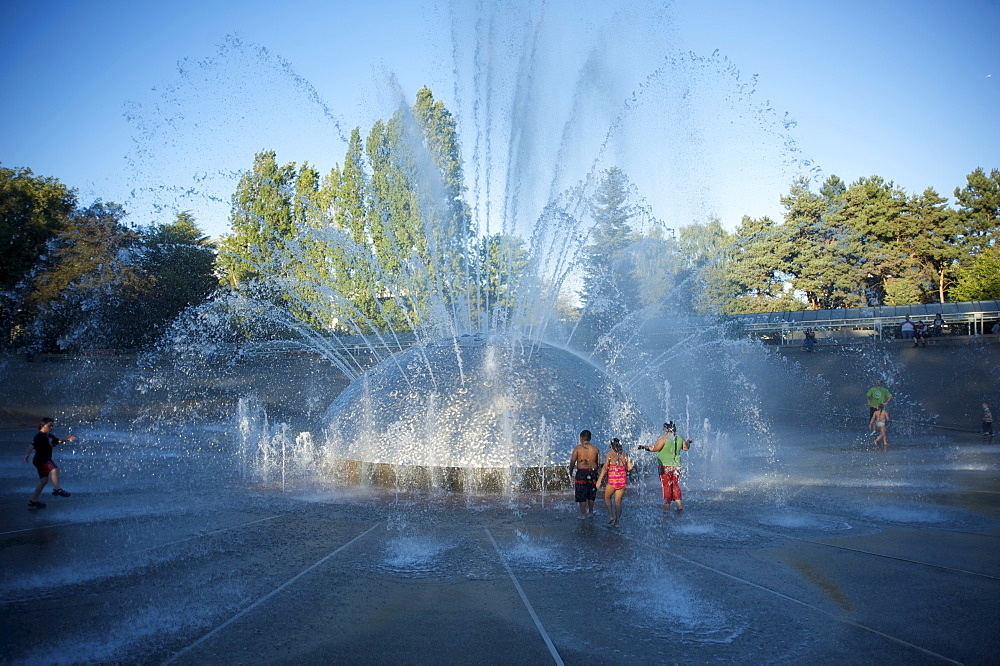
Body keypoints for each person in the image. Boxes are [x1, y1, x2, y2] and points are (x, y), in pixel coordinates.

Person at [637, 421, 692, 513]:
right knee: (675, 484)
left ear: (666, 429)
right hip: (677, 466)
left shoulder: (663, 438)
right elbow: (686, 448)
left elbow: (655, 448)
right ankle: (679, 505)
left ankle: (666, 508)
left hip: (665, 466)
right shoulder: (679, 438)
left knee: (666, 486)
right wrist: (688, 441)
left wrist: (643, 447)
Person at [24, 417, 76, 508]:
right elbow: (32, 444)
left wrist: (66, 439)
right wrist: (27, 454)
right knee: (54, 469)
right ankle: (57, 489)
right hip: (41, 458)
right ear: (42, 425)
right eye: (49, 426)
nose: (51, 427)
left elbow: (57, 441)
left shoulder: (49, 435)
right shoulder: (39, 436)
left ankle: (33, 500)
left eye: (52, 426)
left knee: (44, 480)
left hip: (43, 458)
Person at [596, 438, 633, 527]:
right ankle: (617, 522)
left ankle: (611, 516)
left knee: (607, 497)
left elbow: (605, 467)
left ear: (611, 446)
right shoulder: (625, 454)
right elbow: (630, 467)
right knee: (618, 502)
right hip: (622, 481)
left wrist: (599, 480)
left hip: (612, 480)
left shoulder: (610, 454)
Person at [568, 429, 601, 519]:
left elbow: (573, 461)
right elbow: (598, 463)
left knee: (581, 493)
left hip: (582, 472)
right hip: (593, 472)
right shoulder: (595, 449)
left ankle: (582, 514)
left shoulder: (578, 449)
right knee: (591, 493)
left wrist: (570, 472)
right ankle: (590, 512)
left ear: (581, 438)